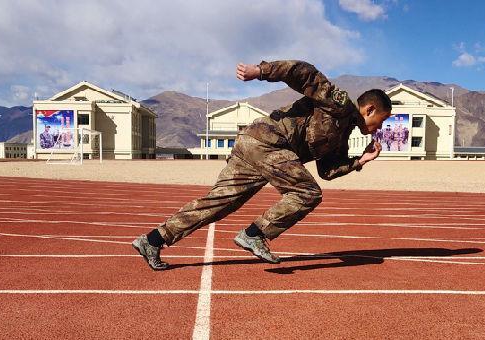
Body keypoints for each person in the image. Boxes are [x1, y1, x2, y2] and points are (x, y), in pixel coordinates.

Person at [132, 60, 393, 270]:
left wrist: (360, 160)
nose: (379, 128)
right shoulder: (338, 104)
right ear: (369, 109)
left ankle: (152, 240)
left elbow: (327, 171)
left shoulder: (344, 137)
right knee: (307, 193)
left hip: (259, 147)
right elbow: (305, 74)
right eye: (381, 120)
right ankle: (255, 233)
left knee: (220, 203)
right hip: (268, 141)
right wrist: (260, 71)